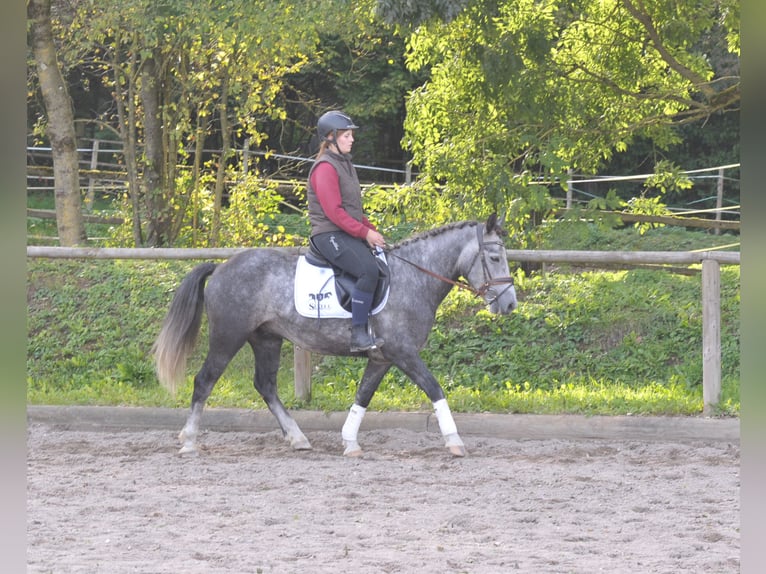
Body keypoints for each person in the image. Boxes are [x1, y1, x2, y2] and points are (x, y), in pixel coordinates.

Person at [307, 110, 386, 352]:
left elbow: (352, 210)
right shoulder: (325, 169)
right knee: (369, 270)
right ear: (330, 138)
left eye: (351, 135)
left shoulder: (345, 164)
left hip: (344, 230)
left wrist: (373, 231)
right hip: (328, 233)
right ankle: (359, 334)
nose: (352, 139)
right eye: (346, 135)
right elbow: (335, 213)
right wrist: (364, 234)